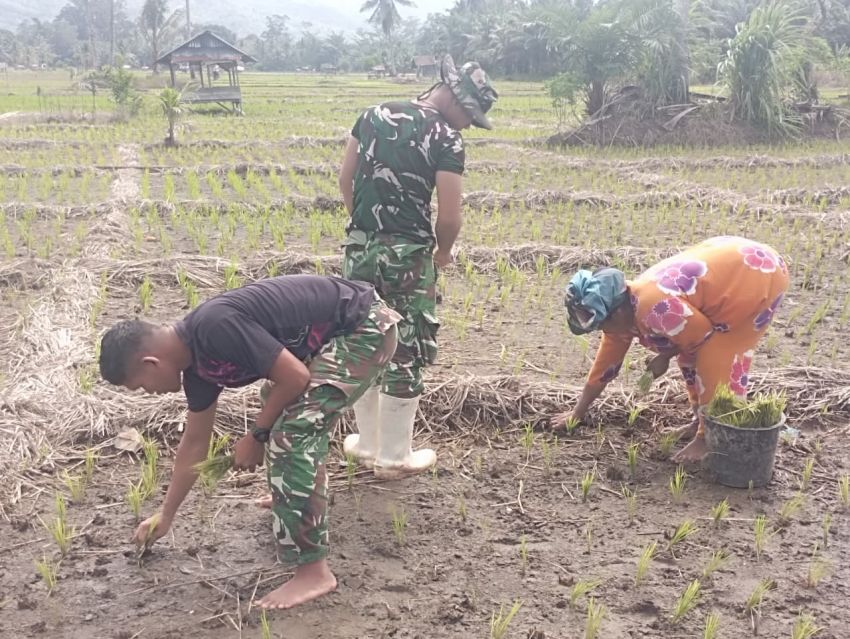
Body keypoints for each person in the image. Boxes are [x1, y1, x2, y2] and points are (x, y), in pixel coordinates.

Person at [98, 275, 400, 609]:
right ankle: (293, 495)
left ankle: (314, 572)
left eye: (141, 385)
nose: (148, 392)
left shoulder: (214, 327)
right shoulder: (197, 367)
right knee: (277, 402)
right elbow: (194, 444)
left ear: (150, 363)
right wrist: (166, 515)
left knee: (291, 432)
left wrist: (256, 436)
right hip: (336, 337)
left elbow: (296, 377)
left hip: (365, 328)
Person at [338, 55, 498, 478]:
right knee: (406, 344)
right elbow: (449, 215)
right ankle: (394, 457)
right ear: (453, 97)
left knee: (363, 338)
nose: (467, 124)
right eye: (469, 114)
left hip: (359, 249)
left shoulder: (370, 115)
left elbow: (345, 180)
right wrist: (442, 252)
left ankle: (367, 444)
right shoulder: (445, 136)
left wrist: (367, 230)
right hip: (409, 255)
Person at [554, 236, 789, 462]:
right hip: (731, 263)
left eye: (602, 324)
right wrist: (578, 413)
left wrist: (664, 356)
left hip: (753, 277)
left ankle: (709, 438)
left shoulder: (655, 307)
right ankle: (701, 421)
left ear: (618, 312)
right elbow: (604, 368)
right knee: (689, 356)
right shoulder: (621, 318)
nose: (602, 330)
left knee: (715, 359)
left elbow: (703, 337)